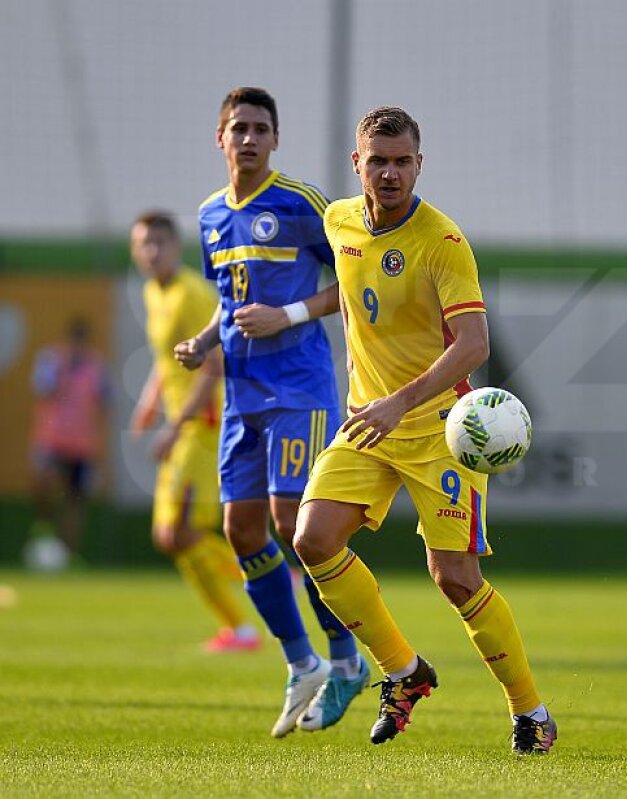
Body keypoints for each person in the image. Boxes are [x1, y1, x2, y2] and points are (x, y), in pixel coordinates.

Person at [291, 106, 555, 755]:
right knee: (313, 538)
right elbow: (354, 290)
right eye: (377, 161)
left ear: (419, 164)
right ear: (357, 165)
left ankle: (531, 712)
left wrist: (397, 401)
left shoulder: (443, 241)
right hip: (368, 420)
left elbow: (473, 344)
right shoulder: (339, 219)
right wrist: (294, 315)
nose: (389, 173)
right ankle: (403, 672)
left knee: (455, 576)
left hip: (440, 425)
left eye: (401, 161)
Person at [175, 87, 366, 737]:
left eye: (261, 128)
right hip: (242, 397)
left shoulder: (301, 202)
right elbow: (229, 302)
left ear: (276, 139)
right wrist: (203, 343)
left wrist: (286, 314)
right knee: (242, 531)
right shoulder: (207, 215)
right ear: (219, 139)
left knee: (293, 523)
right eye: (239, 129)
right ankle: (301, 660)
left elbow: (353, 278)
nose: (249, 138)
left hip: (299, 388)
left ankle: (346, 658)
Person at [129, 210, 258, 652]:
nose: (151, 252)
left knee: (176, 533)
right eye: (144, 244)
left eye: (159, 243)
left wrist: (174, 426)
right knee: (169, 536)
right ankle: (243, 618)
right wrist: (150, 404)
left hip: (203, 425)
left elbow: (212, 365)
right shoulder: (153, 293)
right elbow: (170, 360)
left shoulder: (192, 294)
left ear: (174, 247)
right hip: (181, 425)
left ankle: (268, 578)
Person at [28, 317, 109, 562]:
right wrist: (63, 373)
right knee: (45, 484)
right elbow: (42, 389)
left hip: (81, 444)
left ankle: (68, 553)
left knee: (75, 501)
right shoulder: (52, 359)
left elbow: (105, 399)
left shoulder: (96, 366)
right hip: (52, 440)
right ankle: (44, 528)